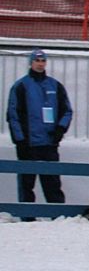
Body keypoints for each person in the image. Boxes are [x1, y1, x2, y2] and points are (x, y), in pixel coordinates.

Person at [6, 48, 72, 205]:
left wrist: (59, 131)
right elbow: (13, 114)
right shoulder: (21, 86)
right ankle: (28, 217)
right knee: (27, 183)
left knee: (53, 183)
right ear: (30, 63)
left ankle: (57, 214)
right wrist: (20, 140)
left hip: (49, 143)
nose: (40, 64)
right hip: (28, 144)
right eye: (37, 60)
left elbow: (67, 111)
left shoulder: (55, 86)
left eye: (43, 61)